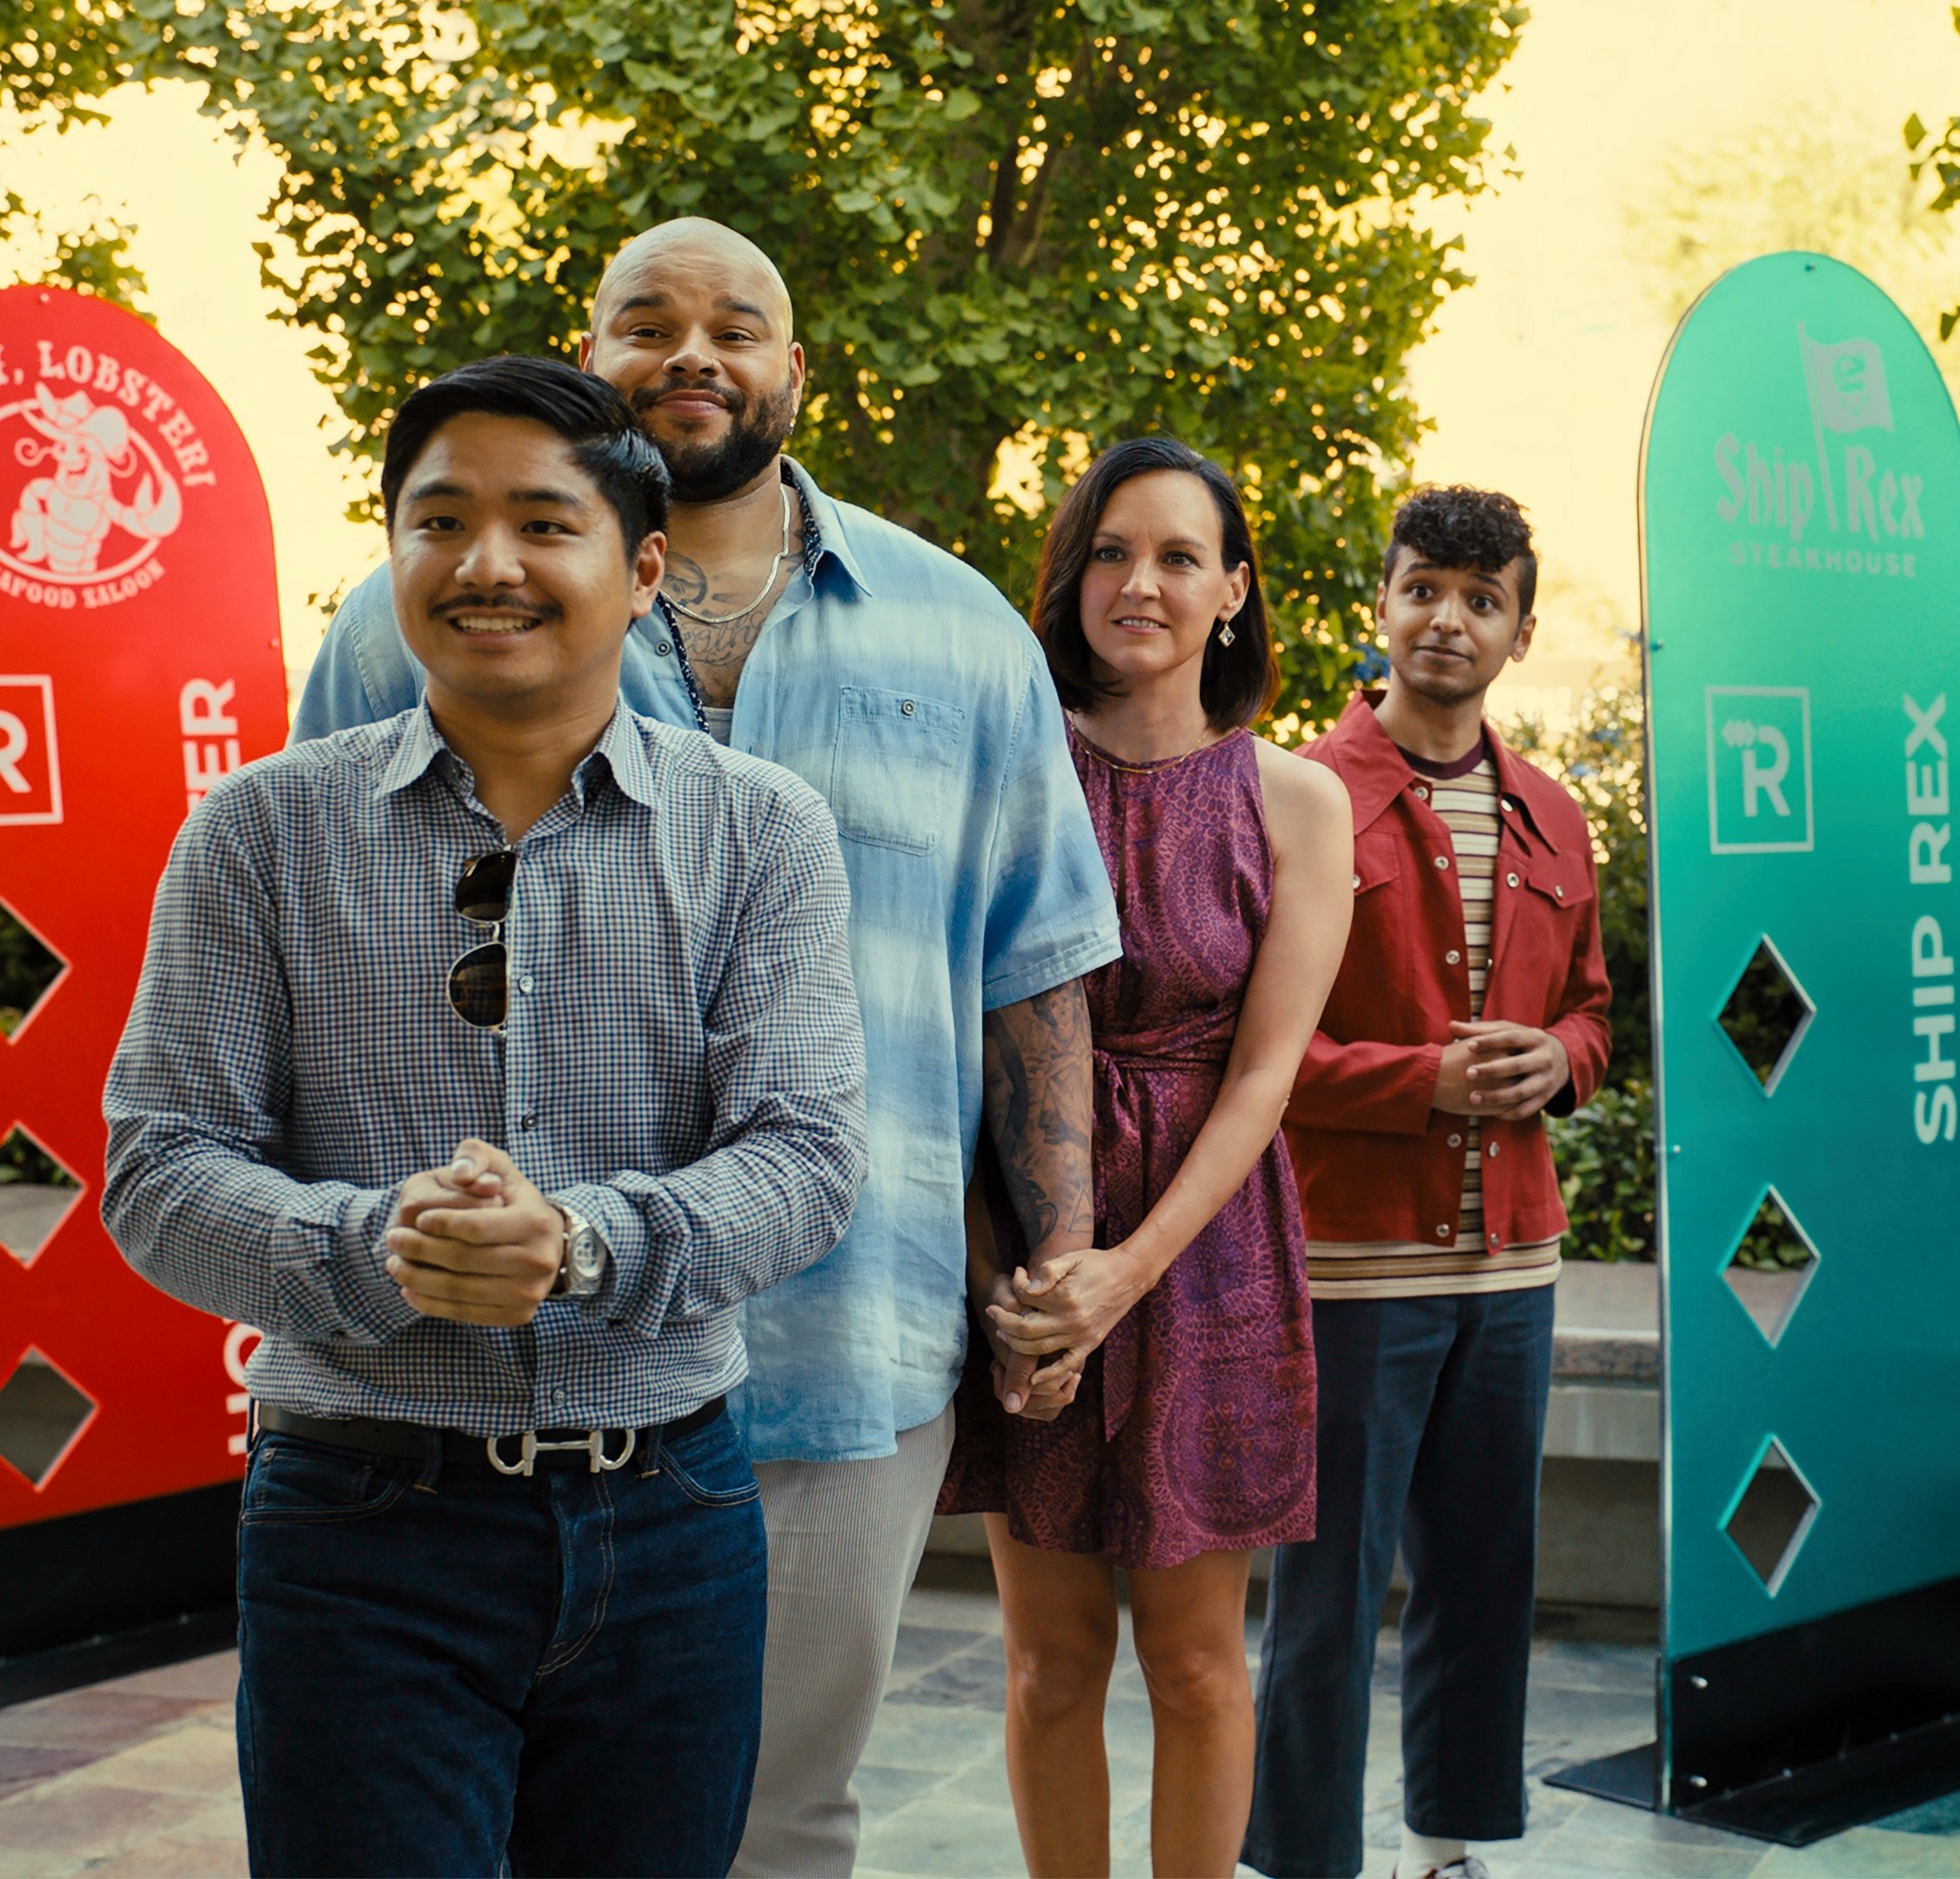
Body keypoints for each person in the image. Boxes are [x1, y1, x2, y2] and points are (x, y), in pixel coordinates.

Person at [291, 219, 1122, 1875]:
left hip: (847, 1328)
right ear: (588, 358)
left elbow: (1032, 971)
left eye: (737, 328)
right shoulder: (411, 623)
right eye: (648, 323)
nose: (693, 354)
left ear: (794, 372)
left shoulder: (962, 632)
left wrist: (1063, 1257)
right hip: (482, 1356)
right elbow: (317, 939)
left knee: (783, 1818)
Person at [104, 356, 867, 1876]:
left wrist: (582, 1243)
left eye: (544, 522)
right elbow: (159, 1167)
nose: (487, 563)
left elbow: (809, 1154)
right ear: (393, 551)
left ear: (642, 571)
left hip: (671, 1510)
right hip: (358, 1521)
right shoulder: (260, 828)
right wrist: (374, 1244)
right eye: (441, 521)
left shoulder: (760, 831)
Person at [939, 436, 1353, 1879]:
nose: (1143, 583)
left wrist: (1127, 1273)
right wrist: (1007, 1280)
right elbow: (951, 1034)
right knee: (1050, 1661)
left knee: (1194, 1662)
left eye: (1181, 556)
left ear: (1233, 591)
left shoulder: (1298, 802)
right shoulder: (1006, 769)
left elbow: (1266, 1077)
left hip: (1206, 1249)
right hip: (1017, 1232)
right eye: (1113, 552)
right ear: (1071, 577)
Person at [1247, 487, 1615, 1879]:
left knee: (1484, 1575)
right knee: (1328, 1593)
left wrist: (1561, 1060)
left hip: (1513, 1267)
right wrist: (1422, 1083)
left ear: (1521, 631)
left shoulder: (1555, 816)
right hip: (1351, 1264)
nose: (1447, 620)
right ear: (1382, 606)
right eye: (1423, 590)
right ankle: (1303, 1859)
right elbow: (1249, 1052)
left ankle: (1446, 1851)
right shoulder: (1297, 796)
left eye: (1481, 600)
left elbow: (1591, 1010)